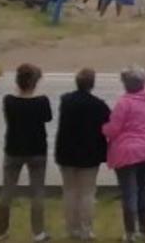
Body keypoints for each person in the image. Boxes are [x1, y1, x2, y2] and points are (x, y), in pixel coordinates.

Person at [104, 66, 145, 242]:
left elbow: (113, 130)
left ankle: (130, 232)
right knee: (144, 189)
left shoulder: (124, 103)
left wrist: (103, 128)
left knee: (129, 192)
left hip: (128, 152)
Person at [0, 63, 52, 241]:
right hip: (37, 149)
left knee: (7, 191)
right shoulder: (42, 101)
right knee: (37, 192)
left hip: (14, 149)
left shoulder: (9, 101)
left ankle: (1, 231)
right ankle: (38, 232)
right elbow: (48, 117)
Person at [55, 68, 111, 241]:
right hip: (89, 154)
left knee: (69, 191)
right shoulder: (98, 105)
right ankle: (86, 230)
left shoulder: (66, 101)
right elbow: (108, 124)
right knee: (87, 193)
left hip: (67, 152)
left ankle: (72, 229)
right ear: (92, 84)